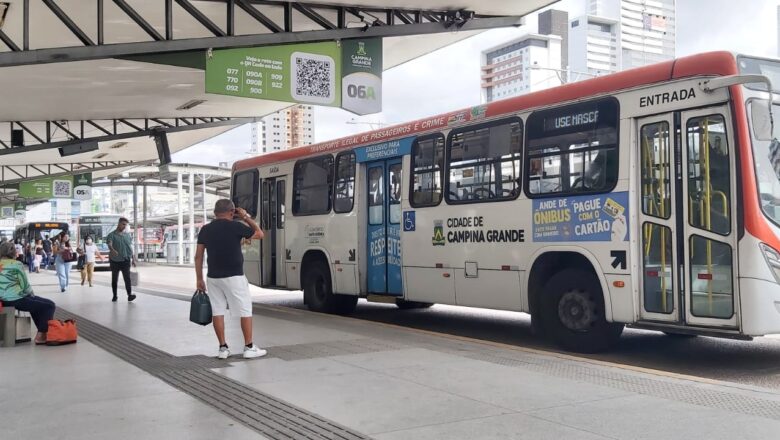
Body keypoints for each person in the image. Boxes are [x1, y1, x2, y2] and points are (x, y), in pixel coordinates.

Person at [195, 199, 266, 360]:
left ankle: (222, 348)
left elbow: (198, 256)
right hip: (234, 276)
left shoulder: (206, 230)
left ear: (214, 213)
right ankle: (249, 347)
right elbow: (260, 234)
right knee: (245, 309)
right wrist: (246, 217)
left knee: (218, 311)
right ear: (232, 212)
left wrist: (199, 279)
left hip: (213, 277)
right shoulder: (236, 226)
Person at [0, 241, 56, 345]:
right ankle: (41, 335)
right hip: (15, 299)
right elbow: (24, 285)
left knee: (36, 305)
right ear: (12, 252)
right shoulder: (16, 264)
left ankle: (42, 333)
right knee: (49, 305)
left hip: (2, 300)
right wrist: (31, 294)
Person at [106, 217, 137, 302]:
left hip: (126, 260)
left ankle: (130, 295)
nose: (124, 226)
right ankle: (115, 295)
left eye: (125, 225)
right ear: (119, 223)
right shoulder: (111, 235)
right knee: (114, 279)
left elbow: (130, 247)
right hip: (115, 261)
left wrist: (133, 259)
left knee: (127, 278)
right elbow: (109, 244)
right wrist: (112, 250)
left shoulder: (127, 235)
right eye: (123, 224)